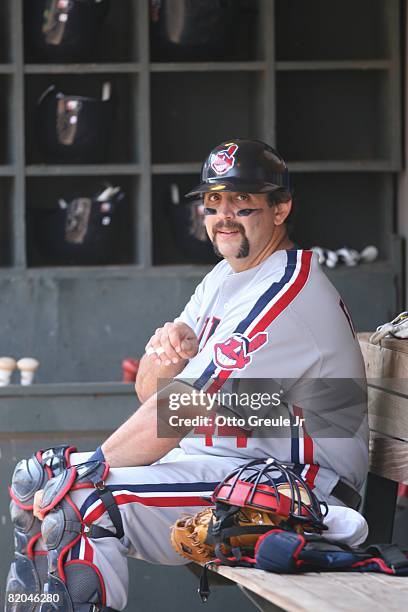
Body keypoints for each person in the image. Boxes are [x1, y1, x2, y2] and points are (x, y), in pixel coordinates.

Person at [6, 139, 369, 612]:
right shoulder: (224, 278)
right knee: (33, 485)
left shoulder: (285, 291)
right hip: (233, 466)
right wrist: (167, 351)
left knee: (79, 502)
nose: (224, 216)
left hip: (299, 488)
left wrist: (91, 465)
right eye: (213, 202)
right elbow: (149, 392)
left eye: (243, 202)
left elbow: (177, 411)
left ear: (280, 209)